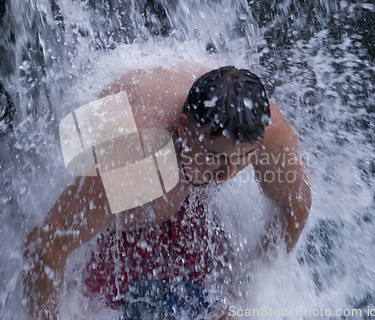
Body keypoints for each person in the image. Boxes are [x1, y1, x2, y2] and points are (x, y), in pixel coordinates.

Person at [23, 64, 311, 319]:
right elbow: (44, 248)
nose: (228, 175)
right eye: (215, 156)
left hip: (167, 151)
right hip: (116, 140)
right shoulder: (134, 156)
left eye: (242, 159)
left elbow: (295, 209)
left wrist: (241, 294)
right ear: (184, 128)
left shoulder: (263, 131)